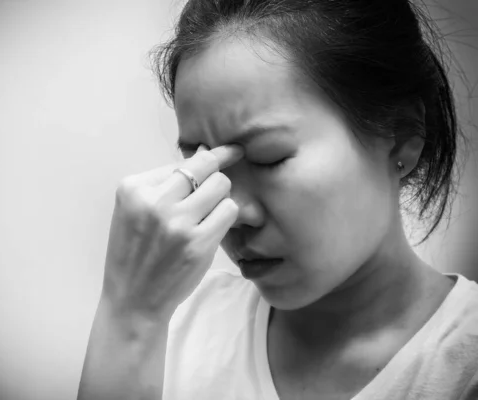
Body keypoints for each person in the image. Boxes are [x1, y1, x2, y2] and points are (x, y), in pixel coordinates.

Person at [77, 0, 478, 399]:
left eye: (270, 158)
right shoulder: (172, 330)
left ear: (403, 134)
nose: (234, 212)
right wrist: (129, 317)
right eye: (207, 169)